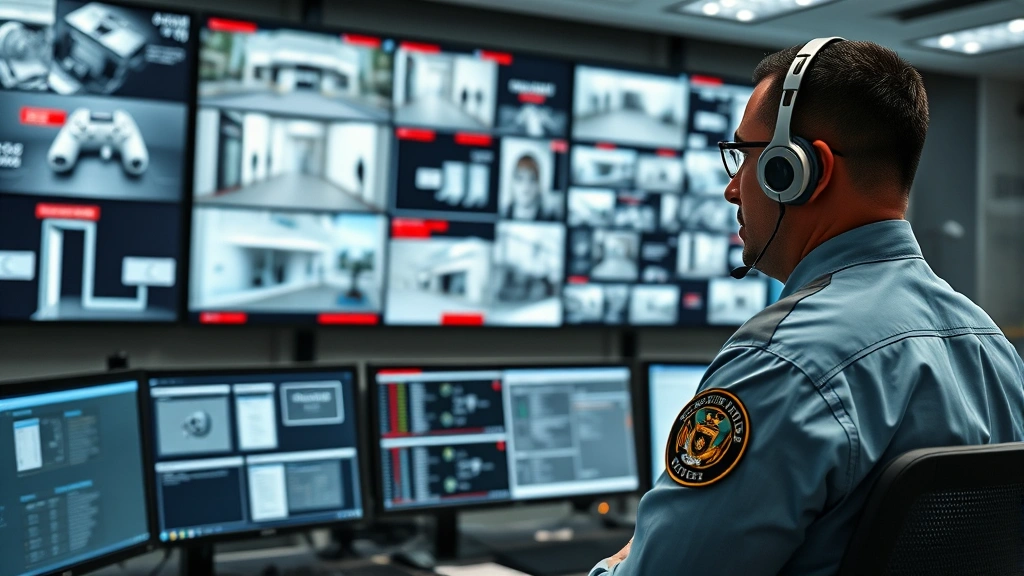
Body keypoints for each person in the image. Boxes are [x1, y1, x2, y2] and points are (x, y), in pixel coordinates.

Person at [590, 39, 1024, 575]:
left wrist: (622, 562)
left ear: (798, 171)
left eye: (743, 158)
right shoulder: (993, 349)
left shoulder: (783, 362)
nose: (731, 189)